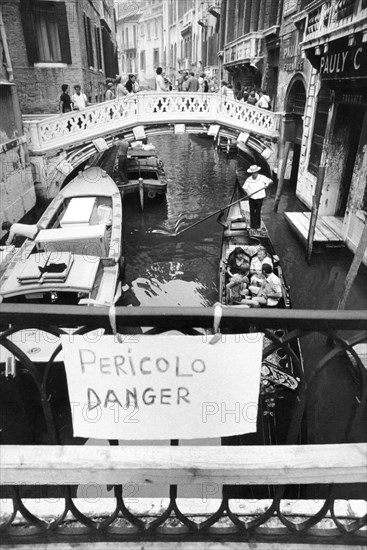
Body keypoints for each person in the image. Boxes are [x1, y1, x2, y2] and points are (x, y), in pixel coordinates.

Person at [242, 165, 272, 230]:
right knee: (252, 211)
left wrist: (267, 185)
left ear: (257, 172)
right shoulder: (248, 179)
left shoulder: (262, 177)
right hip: (252, 198)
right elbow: (244, 187)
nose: (254, 174)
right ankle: (252, 225)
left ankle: (257, 226)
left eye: (255, 172)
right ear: (251, 173)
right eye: (252, 173)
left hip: (260, 198)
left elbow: (270, 181)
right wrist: (248, 193)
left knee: (258, 211)